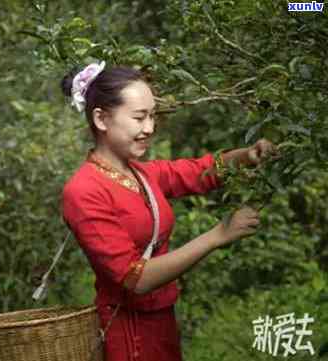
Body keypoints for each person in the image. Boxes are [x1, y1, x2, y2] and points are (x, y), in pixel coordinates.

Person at [60, 62, 277, 361]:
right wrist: (218, 235)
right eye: (138, 117)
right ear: (101, 118)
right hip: (129, 332)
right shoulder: (84, 191)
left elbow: (193, 172)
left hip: (161, 322)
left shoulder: (138, 173)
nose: (149, 128)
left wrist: (245, 157)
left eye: (152, 116)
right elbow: (136, 278)